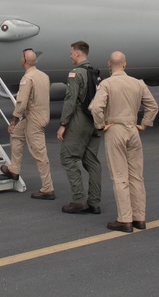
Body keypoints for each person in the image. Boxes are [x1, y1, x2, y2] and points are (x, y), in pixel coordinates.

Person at [88, 51, 158, 233]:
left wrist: (101, 125)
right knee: (136, 176)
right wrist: (145, 123)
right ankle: (139, 217)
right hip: (133, 129)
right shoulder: (138, 83)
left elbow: (96, 107)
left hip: (115, 128)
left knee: (120, 177)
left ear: (109, 64)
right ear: (125, 64)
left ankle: (125, 219)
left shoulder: (107, 84)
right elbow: (153, 106)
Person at [0, 48, 54, 200]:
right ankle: (14, 169)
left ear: (23, 60)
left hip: (34, 118)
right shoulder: (44, 76)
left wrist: (13, 120)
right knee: (16, 134)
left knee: (39, 153)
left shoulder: (27, 78)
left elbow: (21, 102)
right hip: (41, 115)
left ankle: (48, 188)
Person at [56, 41, 102, 214]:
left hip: (80, 120)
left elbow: (70, 100)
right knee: (92, 161)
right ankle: (94, 202)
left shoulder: (76, 73)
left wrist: (63, 124)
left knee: (67, 156)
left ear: (78, 54)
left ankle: (78, 199)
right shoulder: (96, 74)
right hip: (95, 121)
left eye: (71, 52)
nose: (70, 55)